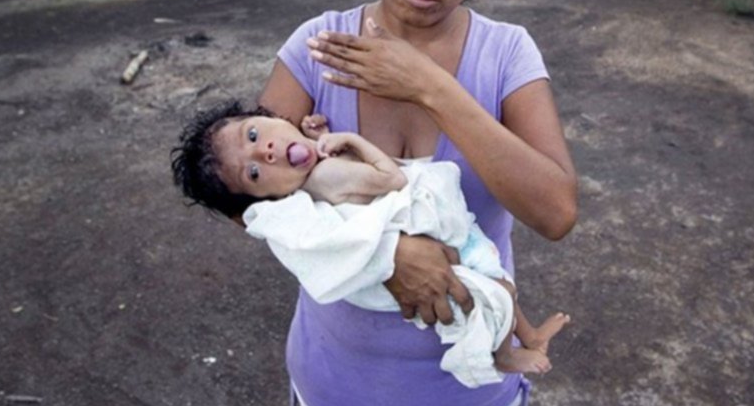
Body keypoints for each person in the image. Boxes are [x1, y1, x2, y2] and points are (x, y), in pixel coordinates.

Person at [256, 0, 576, 406]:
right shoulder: (316, 50)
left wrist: (430, 87)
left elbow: (555, 212)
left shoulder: (507, 55)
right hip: (332, 387)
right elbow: (239, 192)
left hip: (471, 397)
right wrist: (386, 255)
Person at [170, 103, 570, 387]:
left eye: (254, 134)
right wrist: (354, 142)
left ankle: (527, 337)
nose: (266, 150)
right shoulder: (325, 178)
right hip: (431, 248)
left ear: (270, 116)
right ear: (264, 201)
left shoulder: (308, 175)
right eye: (254, 172)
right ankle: (505, 352)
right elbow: (391, 180)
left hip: (350, 368)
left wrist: (315, 139)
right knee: (499, 290)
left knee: (501, 288)